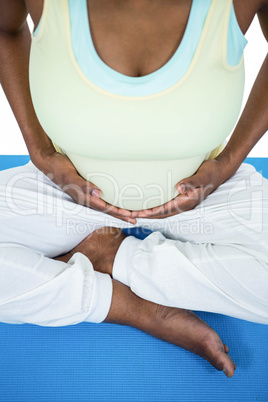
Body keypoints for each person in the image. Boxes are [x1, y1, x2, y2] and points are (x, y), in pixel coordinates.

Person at [0, 0, 267, 378]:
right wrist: (40, 151)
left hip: (203, 195)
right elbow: (5, 28)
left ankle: (111, 256)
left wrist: (227, 164)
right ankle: (135, 308)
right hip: (69, 190)